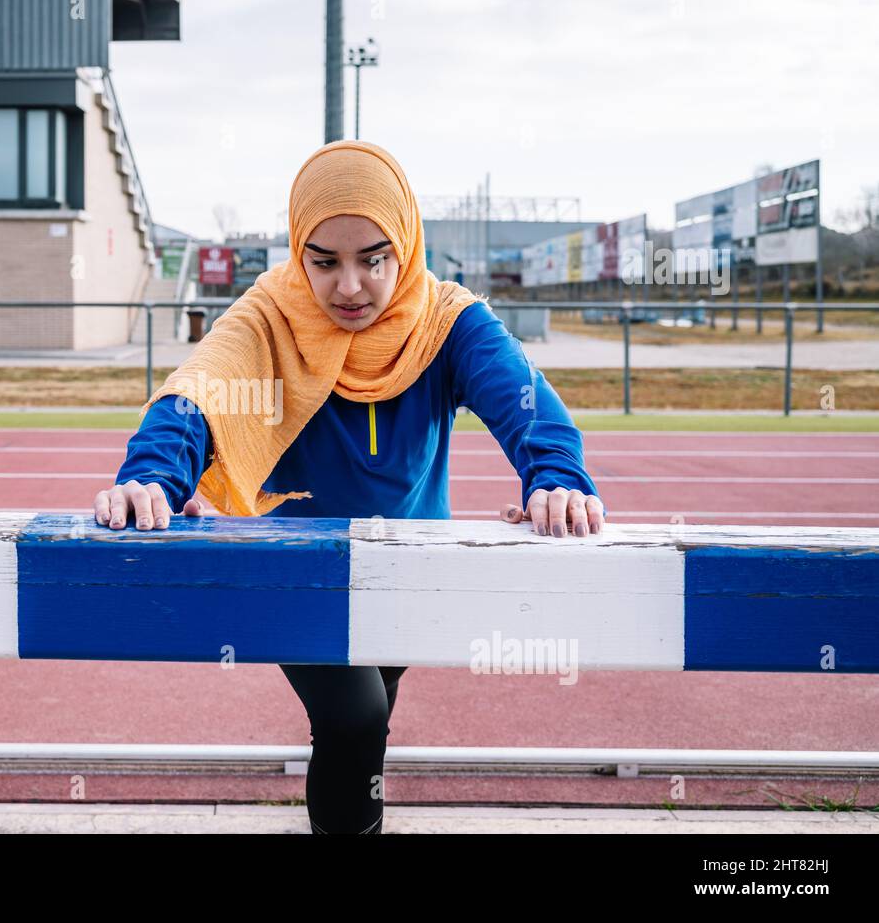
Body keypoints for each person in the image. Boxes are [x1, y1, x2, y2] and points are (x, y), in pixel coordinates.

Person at [93, 139, 606, 834]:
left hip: (408, 566)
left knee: (365, 721)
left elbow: (528, 405)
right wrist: (151, 475)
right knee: (355, 717)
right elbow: (198, 395)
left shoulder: (449, 322)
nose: (350, 287)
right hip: (295, 569)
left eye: (373, 258)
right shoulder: (269, 317)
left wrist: (557, 479)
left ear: (406, 244)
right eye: (324, 262)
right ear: (297, 252)